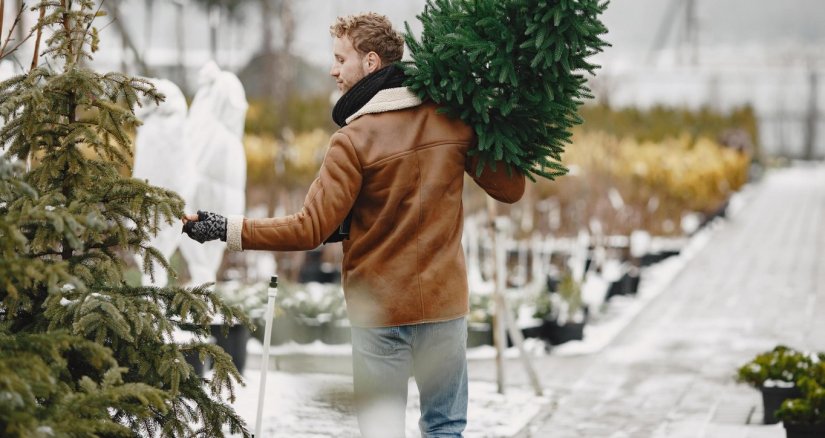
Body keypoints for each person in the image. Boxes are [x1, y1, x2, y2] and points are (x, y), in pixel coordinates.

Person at [182, 12, 524, 438]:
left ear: (371, 63)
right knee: (446, 427)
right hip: (443, 306)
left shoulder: (353, 140)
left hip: (379, 313)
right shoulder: (451, 119)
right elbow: (510, 189)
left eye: (340, 58)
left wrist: (227, 228)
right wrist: (491, 117)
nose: (332, 69)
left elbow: (310, 228)